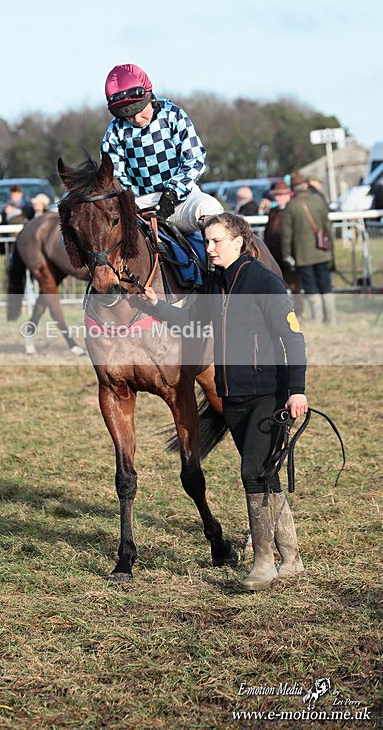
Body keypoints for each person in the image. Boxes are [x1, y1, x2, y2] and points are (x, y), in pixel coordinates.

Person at [139, 212, 307, 591]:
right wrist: (156, 306)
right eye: (207, 242)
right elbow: (191, 322)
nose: (209, 248)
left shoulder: (264, 282)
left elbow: (293, 337)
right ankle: (292, 558)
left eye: (216, 241)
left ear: (238, 241)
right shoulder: (215, 283)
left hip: (269, 395)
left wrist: (296, 390)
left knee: (252, 473)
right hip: (232, 395)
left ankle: (263, 563)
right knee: (265, 473)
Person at [101, 63, 223, 233]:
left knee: (211, 209)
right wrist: (130, 203)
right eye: (128, 115)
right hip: (138, 204)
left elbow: (194, 159)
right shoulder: (115, 130)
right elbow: (114, 174)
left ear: (149, 97)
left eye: (140, 110)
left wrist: (171, 194)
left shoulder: (173, 114)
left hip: (181, 199)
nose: (137, 118)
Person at [281, 172, 335, 324]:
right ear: (305, 185)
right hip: (322, 251)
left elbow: (286, 234)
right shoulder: (319, 200)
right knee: (326, 284)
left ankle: (317, 318)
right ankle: (331, 318)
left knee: (310, 286)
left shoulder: (291, 205)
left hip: (303, 254)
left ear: (293, 187)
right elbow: (328, 227)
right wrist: (330, 248)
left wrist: (286, 254)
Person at [263, 181, 304, 318]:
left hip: (289, 251)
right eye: (276, 195)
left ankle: (298, 312)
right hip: (274, 252)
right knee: (278, 283)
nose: (278, 197)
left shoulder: (292, 210)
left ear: (288, 195)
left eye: (281, 195)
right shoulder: (273, 211)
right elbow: (268, 231)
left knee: (294, 284)